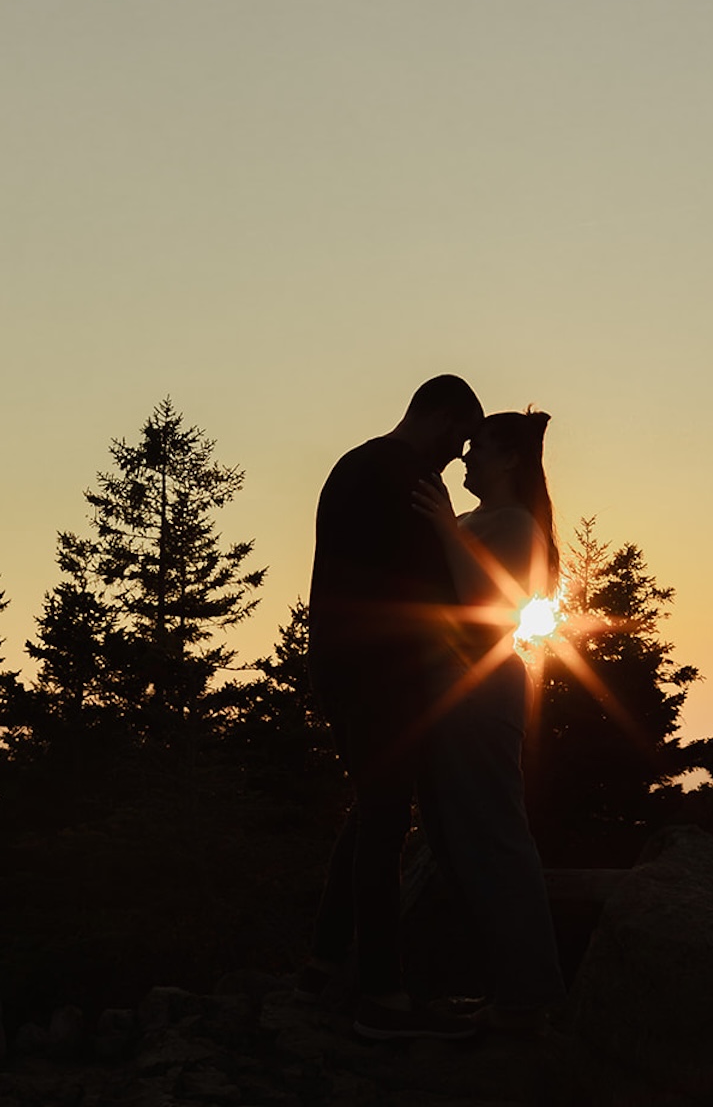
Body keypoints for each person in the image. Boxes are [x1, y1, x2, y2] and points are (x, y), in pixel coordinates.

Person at [303, 373, 485, 1039]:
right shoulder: (412, 479)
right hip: (384, 671)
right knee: (384, 818)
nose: (456, 457)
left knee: (370, 806)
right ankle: (381, 993)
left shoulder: (351, 464)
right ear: (438, 417)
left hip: (337, 659)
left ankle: (324, 958)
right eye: (457, 439)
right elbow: (440, 589)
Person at [411, 408, 566, 1032]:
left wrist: (447, 533)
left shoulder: (518, 526)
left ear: (508, 460)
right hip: (446, 692)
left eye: (476, 449)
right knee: (454, 844)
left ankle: (533, 996)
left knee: (496, 841)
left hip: (483, 692)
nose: (465, 459)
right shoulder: (477, 519)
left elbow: (488, 606)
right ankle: (507, 990)